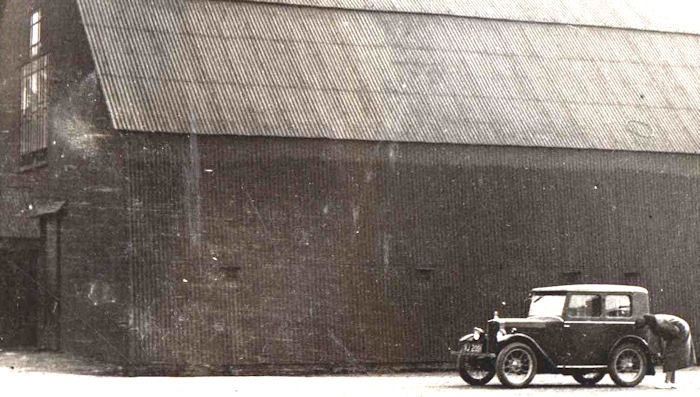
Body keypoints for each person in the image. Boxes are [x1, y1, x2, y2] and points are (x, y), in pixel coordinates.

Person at [638, 314, 696, 389]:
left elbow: (675, 331)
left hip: (681, 331)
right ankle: (672, 381)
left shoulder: (660, 324)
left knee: (670, 356)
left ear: (647, 325)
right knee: (670, 355)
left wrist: (665, 349)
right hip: (676, 330)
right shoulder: (654, 323)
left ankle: (667, 382)